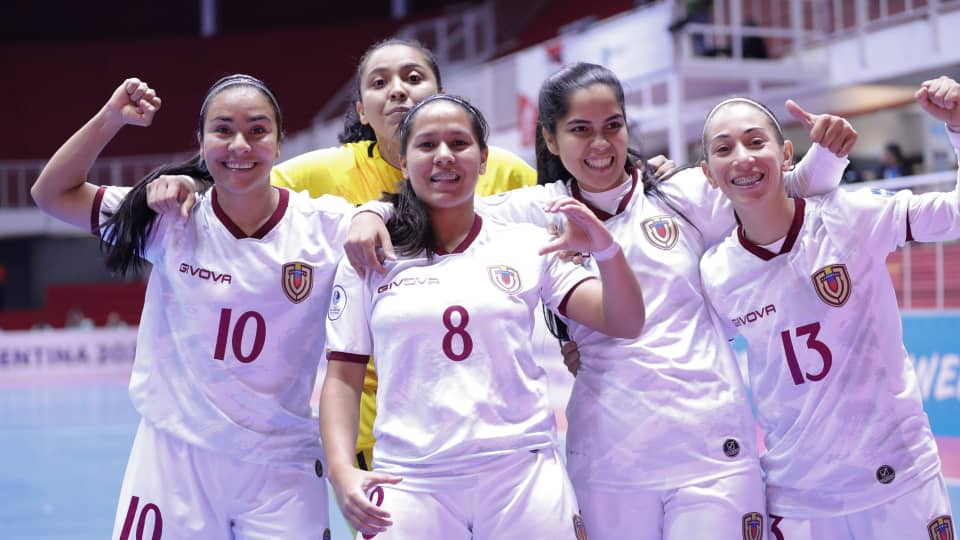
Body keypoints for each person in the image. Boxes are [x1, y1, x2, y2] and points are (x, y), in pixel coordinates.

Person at [350, 62, 857, 540]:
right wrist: (371, 212)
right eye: (579, 130)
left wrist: (829, 153)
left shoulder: (681, 192)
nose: (600, 144)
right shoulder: (533, 210)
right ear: (550, 137)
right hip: (610, 455)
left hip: (710, 448)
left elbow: (787, 190)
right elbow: (440, 194)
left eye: (612, 126)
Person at [30, 74, 361, 539]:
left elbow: (405, 226)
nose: (240, 145)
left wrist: (373, 214)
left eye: (258, 130)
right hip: (174, 459)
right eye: (223, 130)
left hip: (280, 465)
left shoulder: (328, 228)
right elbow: (51, 194)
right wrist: (111, 119)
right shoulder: (168, 218)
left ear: (280, 143)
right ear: (201, 143)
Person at [320, 94, 646, 539]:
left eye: (458, 142)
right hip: (410, 479)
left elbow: (624, 321)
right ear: (403, 159)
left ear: (484, 158)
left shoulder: (527, 242)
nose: (444, 157)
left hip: (521, 474)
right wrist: (341, 470)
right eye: (427, 145)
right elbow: (343, 376)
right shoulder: (371, 254)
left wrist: (607, 250)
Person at [697, 76, 960, 540]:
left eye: (756, 141)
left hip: (896, 479)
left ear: (785, 156)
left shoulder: (850, 216)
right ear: (708, 172)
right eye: (724, 148)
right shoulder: (716, 272)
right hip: (797, 498)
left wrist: (958, 126)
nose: (742, 157)